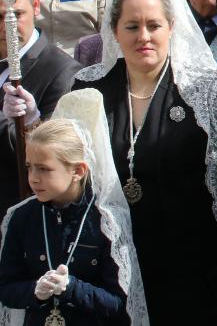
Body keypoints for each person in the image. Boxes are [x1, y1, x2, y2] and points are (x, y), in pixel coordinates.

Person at [70, 0, 217, 325]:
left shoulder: (200, 87)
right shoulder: (89, 86)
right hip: (110, 258)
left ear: (171, 28)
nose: (143, 36)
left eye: (153, 25)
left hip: (188, 259)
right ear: (115, 30)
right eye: (132, 26)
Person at [0, 91, 148, 325]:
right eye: (29, 167)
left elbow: (120, 303)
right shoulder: (22, 216)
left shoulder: (106, 220)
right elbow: (6, 287)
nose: (33, 178)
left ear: (78, 171)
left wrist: (71, 288)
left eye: (44, 169)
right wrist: (34, 291)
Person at [0, 0, 83, 216]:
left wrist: (28, 122)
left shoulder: (63, 72)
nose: (7, 26)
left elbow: (54, 162)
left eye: (16, 14)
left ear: (36, 6)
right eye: (0, 16)